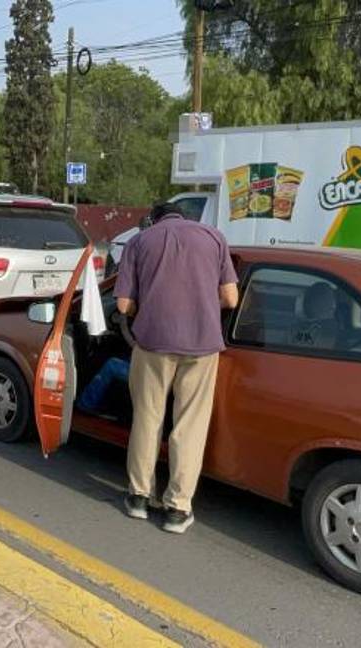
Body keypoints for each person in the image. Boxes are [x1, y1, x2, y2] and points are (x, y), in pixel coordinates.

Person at [114, 201, 239, 534]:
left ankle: (139, 498)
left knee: (147, 419)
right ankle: (177, 510)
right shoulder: (215, 238)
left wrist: (149, 302)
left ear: (152, 220)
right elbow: (231, 299)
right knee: (189, 426)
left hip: (152, 344)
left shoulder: (139, 242)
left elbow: (123, 304)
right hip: (202, 345)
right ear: (187, 218)